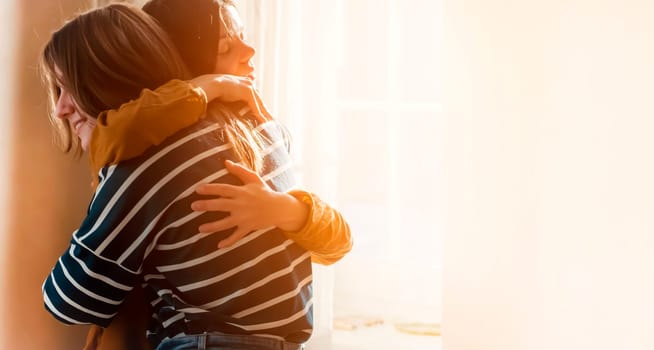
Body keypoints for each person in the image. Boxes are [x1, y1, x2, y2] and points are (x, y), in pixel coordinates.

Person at [40, 4, 348, 350]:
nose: (60, 109)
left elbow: (69, 299)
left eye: (68, 89)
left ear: (108, 77)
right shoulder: (262, 130)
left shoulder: (147, 164)